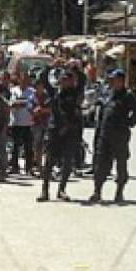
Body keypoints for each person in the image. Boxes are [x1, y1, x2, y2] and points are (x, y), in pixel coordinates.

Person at [89, 69, 136, 205]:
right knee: (100, 164)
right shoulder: (108, 93)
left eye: (115, 80)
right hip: (104, 135)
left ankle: (119, 193)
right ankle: (97, 192)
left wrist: (128, 124)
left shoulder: (128, 96)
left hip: (119, 136)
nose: (113, 82)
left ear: (122, 81)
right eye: (112, 80)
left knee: (121, 165)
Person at [38, 69, 84, 202]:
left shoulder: (75, 94)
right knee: (49, 162)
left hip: (69, 131)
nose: (65, 82)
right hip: (55, 130)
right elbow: (43, 78)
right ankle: (44, 191)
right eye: (63, 79)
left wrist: (75, 67)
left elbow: (82, 81)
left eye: (68, 80)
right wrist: (50, 66)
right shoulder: (55, 92)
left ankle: (62, 189)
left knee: (67, 162)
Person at [7, 73, 37, 175]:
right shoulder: (13, 90)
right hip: (16, 122)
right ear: (19, 80)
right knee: (15, 147)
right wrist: (18, 104)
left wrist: (22, 104)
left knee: (28, 147)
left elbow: (33, 104)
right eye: (22, 79)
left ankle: (29, 168)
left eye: (26, 80)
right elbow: (10, 103)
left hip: (28, 123)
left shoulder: (32, 92)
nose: (23, 82)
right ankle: (14, 167)